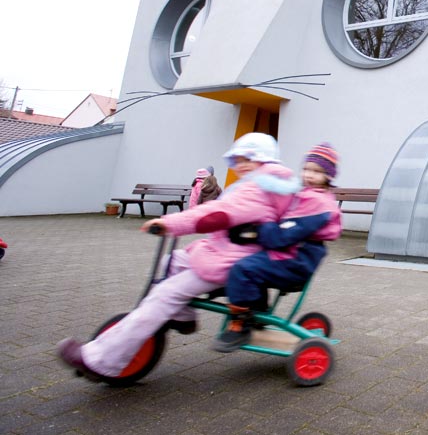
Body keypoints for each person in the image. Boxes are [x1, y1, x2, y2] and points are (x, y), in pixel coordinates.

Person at [56, 133, 300, 380]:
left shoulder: (259, 190)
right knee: (170, 262)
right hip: (223, 252)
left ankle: (101, 360)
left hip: (230, 263)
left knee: (165, 293)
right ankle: (183, 317)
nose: (242, 164)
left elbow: (216, 214)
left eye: (250, 159)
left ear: (267, 161)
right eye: (239, 159)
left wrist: (171, 223)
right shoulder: (258, 185)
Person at [214, 143, 343, 352]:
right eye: (306, 169)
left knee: (243, 268)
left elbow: (283, 235)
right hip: (290, 255)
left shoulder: (318, 203)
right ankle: (256, 308)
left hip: (294, 262)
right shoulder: (306, 194)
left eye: (317, 171)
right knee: (246, 263)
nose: (309, 175)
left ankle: (241, 323)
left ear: (328, 176)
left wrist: (256, 231)